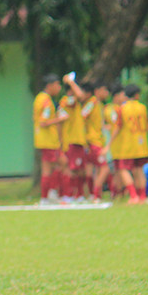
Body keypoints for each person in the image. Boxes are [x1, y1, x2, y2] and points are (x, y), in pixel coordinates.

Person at [110, 84, 148, 203]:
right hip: (141, 144)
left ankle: (133, 196)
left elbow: (118, 126)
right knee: (139, 170)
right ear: (137, 95)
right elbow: (146, 124)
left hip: (128, 145)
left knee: (123, 169)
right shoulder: (142, 107)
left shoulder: (122, 108)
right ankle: (142, 196)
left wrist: (109, 144)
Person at [33, 74, 68, 204]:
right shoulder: (46, 101)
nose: (59, 88)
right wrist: (60, 119)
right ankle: (49, 195)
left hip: (45, 140)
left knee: (56, 165)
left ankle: (48, 196)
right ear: (50, 86)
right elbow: (43, 122)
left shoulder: (39, 98)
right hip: (48, 141)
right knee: (54, 166)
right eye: (57, 85)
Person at [59, 72, 88, 201]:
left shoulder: (75, 103)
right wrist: (70, 81)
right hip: (71, 140)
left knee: (80, 170)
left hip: (78, 140)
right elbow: (80, 95)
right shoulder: (66, 101)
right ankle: (68, 195)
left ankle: (79, 194)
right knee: (71, 169)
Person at [83, 81, 112, 202]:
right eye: (104, 90)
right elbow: (83, 115)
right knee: (105, 169)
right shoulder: (93, 102)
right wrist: (87, 134)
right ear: (97, 91)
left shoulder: (99, 104)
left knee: (97, 169)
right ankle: (95, 194)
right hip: (94, 141)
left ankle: (95, 195)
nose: (106, 93)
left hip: (98, 141)